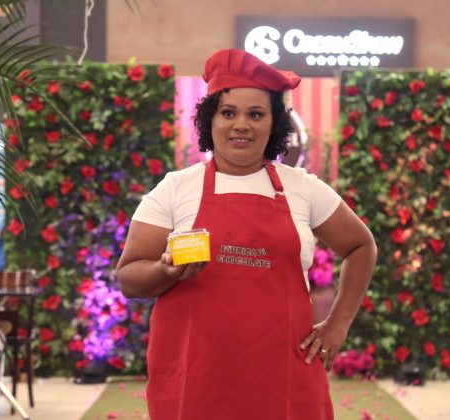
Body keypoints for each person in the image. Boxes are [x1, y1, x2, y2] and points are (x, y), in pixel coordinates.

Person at [117, 48, 377, 420]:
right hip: (196, 382)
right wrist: (166, 271)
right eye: (228, 113)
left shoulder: (302, 188)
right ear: (210, 119)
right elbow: (129, 278)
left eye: (256, 114)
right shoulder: (175, 189)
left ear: (275, 124)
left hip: (284, 379)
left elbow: (361, 245)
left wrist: (338, 324)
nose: (241, 124)